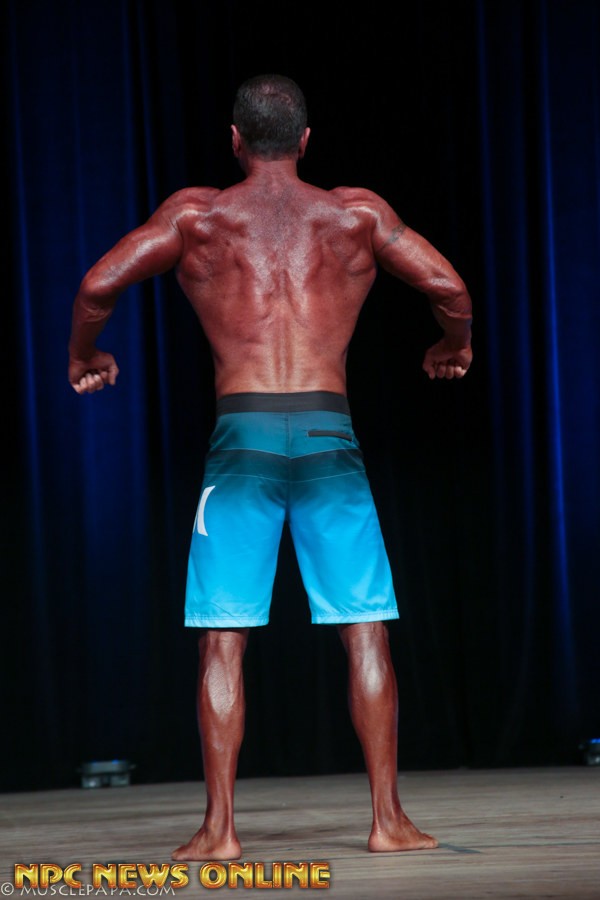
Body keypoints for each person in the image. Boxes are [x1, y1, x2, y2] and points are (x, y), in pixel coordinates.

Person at [68, 73, 472, 860]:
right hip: (328, 438)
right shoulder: (355, 215)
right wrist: (451, 345)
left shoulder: (198, 218)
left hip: (242, 440)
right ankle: (387, 821)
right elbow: (450, 288)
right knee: (364, 630)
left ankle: (219, 831)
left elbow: (96, 285)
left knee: (223, 639)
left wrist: (86, 355)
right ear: (306, 140)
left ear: (235, 140)